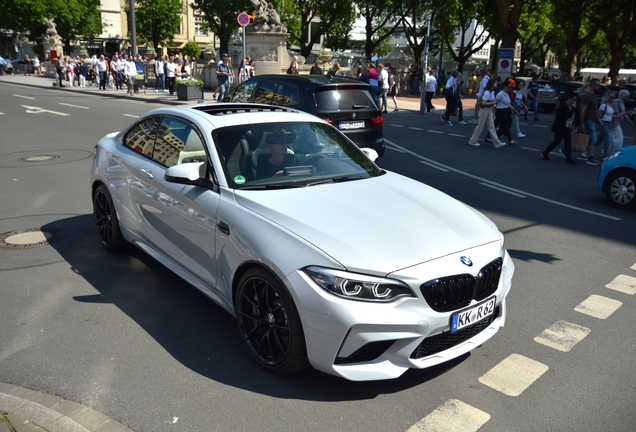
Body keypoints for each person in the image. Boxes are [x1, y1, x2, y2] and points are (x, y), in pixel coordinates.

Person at [540, 92, 578, 165]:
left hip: (567, 127)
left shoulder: (569, 106)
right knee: (557, 141)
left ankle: (569, 159)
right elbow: (566, 116)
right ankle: (545, 152)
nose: (574, 101)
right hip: (560, 127)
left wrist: (573, 124)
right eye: (573, 99)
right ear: (569, 98)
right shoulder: (563, 106)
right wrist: (573, 108)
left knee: (568, 143)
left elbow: (573, 116)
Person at [468, 79, 506, 149]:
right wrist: (493, 102)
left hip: (489, 110)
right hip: (484, 110)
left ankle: (496, 142)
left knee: (492, 127)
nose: (496, 84)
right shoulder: (487, 92)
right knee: (480, 127)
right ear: (492, 84)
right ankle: (472, 141)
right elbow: (483, 103)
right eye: (495, 83)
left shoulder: (491, 92)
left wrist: (492, 109)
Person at [579, 78, 603, 165]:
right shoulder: (587, 96)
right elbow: (582, 110)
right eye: (597, 85)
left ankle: (566, 150)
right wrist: (581, 123)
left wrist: (598, 119)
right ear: (592, 85)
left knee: (587, 139)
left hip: (592, 120)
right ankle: (590, 158)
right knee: (593, 139)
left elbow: (595, 110)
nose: (598, 87)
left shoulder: (593, 95)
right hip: (588, 120)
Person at [488, 79, 517, 145]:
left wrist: (514, 110)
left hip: (506, 110)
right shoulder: (500, 94)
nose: (510, 88)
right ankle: (510, 139)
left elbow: (508, 104)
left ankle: (488, 137)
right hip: (500, 111)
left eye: (511, 87)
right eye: (509, 87)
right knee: (506, 124)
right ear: (505, 86)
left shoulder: (507, 94)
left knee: (496, 124)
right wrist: (492, 111)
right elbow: (494, 102)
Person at [610, 90, 634, 154]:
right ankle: (616, 152)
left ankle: (607, 151)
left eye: (628, 96)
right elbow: (617, 114)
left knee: (612, 137)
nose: (627, 98)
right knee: (619, 138)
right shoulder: (616, 103)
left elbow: (623, 113)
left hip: (618, 122)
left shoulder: (621, 102)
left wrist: (629, 120)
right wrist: (626, 113)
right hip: (614, 122)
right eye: (626, 96)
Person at [596, 91, 617, 158]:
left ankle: (588, 147)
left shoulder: (610, 105)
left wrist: (618, 116)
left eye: (614, 97)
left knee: (599, 140)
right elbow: (597, 114)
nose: (614, 99)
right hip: (603, 123)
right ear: (609, 97)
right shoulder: (604, 105)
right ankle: (606, 156)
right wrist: (599, 120)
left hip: (608, 123)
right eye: (613, 97)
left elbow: (610, 115)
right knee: (608, 139)